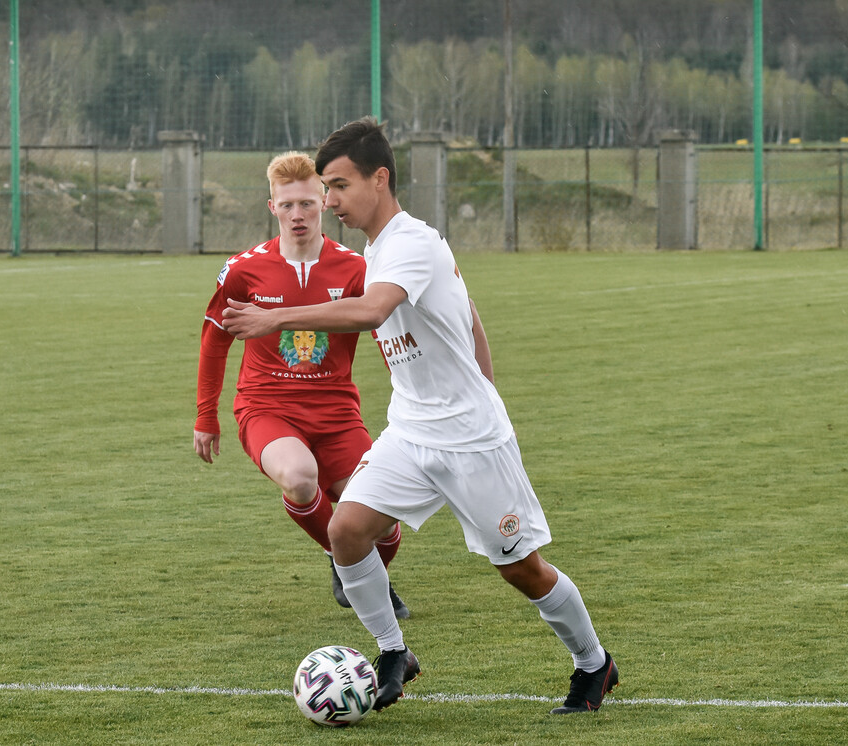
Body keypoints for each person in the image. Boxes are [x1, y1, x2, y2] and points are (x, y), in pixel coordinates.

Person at [222, 120, 618, 714]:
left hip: (471, 443)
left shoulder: (409, 242)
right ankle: (392, 652)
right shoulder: (380, 248)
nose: (329, 202)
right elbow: (469, 310)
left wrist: (276, 319)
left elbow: (372, 310)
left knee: (523, 570)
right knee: (347, 531)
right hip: (410, 432)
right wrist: (480, 375)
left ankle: (594, 664)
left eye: (337, 186)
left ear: (379, 179)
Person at [193, 150, 408, 618]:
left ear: (325, 202)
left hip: (337, 413)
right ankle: (347, 561)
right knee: (299, 476)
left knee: (383, 517)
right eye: (286, 205)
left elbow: (386, 338)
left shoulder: (356, 269)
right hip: (266, 408)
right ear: (272, 208)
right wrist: (206, 416)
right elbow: (214, 342)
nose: (297, 215)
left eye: (307, 203)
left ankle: (363, 572)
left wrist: (411, 395)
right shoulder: (244, 269)